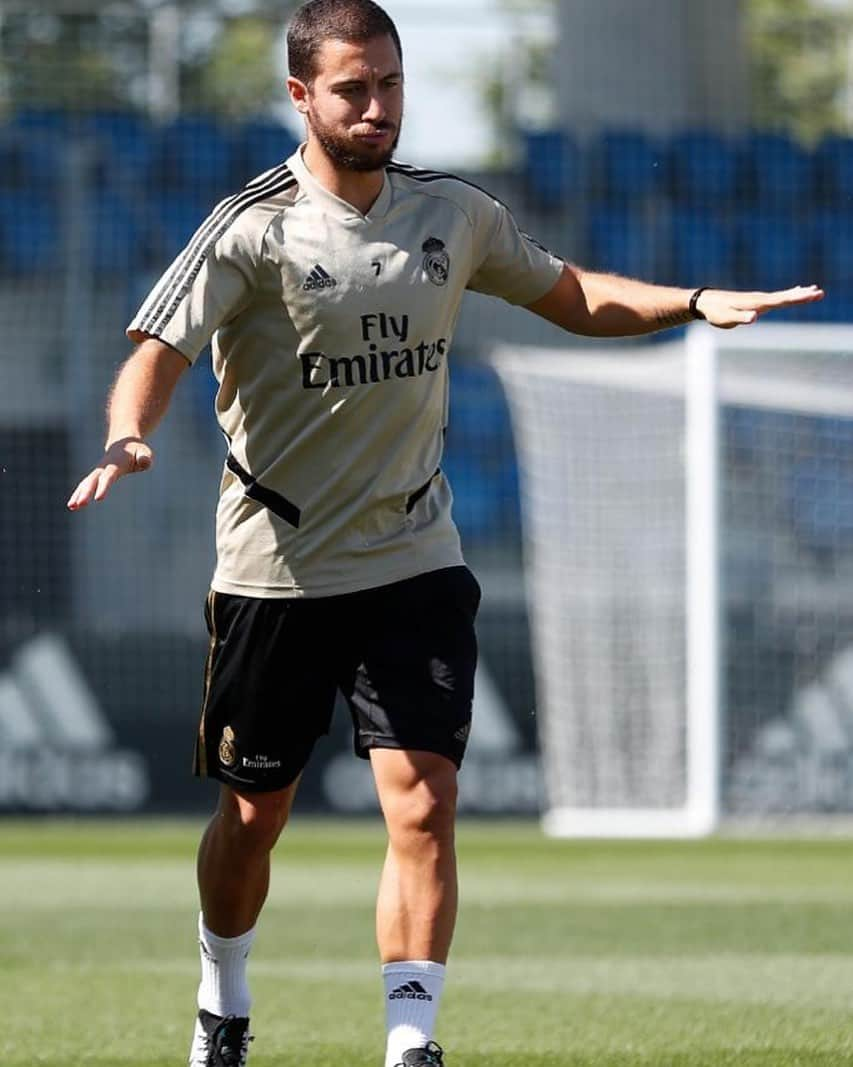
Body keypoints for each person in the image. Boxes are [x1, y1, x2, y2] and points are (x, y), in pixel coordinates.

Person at [67, 1, 823, 1063]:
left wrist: (691, 300)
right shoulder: (251, 226)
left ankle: (410, 1041)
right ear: (301, 97)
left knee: (422, 803)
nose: (376, 107)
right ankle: (221, 997)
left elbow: (570, 295)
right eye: (350, 89)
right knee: (252, 818)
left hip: (412, 556)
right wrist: (126, 434)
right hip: (274, 570)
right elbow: (159, 342)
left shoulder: (453, 214)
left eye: (389, 83)